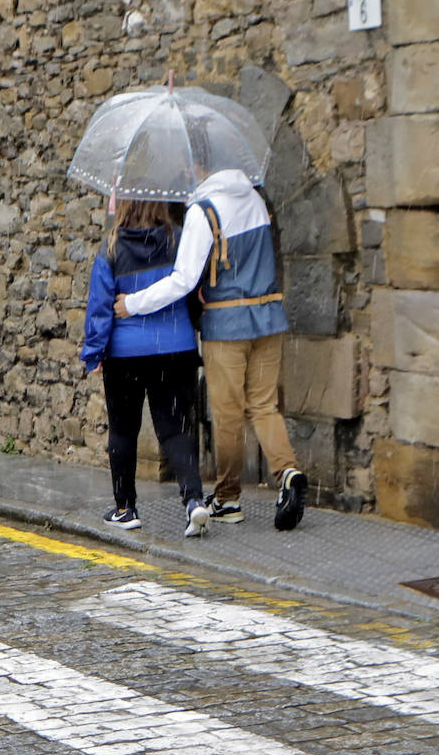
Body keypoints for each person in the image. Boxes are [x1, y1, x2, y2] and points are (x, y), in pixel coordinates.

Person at [115, 168, 307, 531]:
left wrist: (133, 304)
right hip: (269, 318)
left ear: (198, 168)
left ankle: (228, 498)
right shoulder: (254, 198)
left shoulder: (203, 212)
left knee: (228, 413)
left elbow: (183, 279)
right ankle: (288, 471)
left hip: (226, 324)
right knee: (264, 406)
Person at [82, 199, 210, 538]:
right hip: (176, 348)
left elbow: (99, 305)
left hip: (125, 353)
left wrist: (94, 352)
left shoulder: (110, 246)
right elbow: (195, 290)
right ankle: (194, 500)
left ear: (123, 206)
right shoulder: (180, 239)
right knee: (176, 429)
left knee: (123, 431)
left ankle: (126, 509)